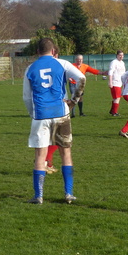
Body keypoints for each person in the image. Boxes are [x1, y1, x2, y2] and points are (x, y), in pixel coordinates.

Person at [23, 38, 86, 204]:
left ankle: (39, 196)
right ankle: (69, 194)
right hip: (61, 113)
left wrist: (32, 114)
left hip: (41, 115)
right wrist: (74, 100)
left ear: (37, 52)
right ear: (53, 51)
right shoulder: (62, 63)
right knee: (65, 152)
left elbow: (26, 97)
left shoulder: (30, 68)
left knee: (40, 155)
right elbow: (81, 79)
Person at [108, 50, 126, 116]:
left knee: (115, 97)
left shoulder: (122, 63)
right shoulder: (114, 62)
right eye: (120, 55)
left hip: (120, 82)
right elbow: (110, 72)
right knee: (117, 97)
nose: (121, 56)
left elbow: (123, 73)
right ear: (117, 55)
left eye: (122, 55)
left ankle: (112, 110)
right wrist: (110, 82)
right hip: (115, 82)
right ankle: (114, 112)